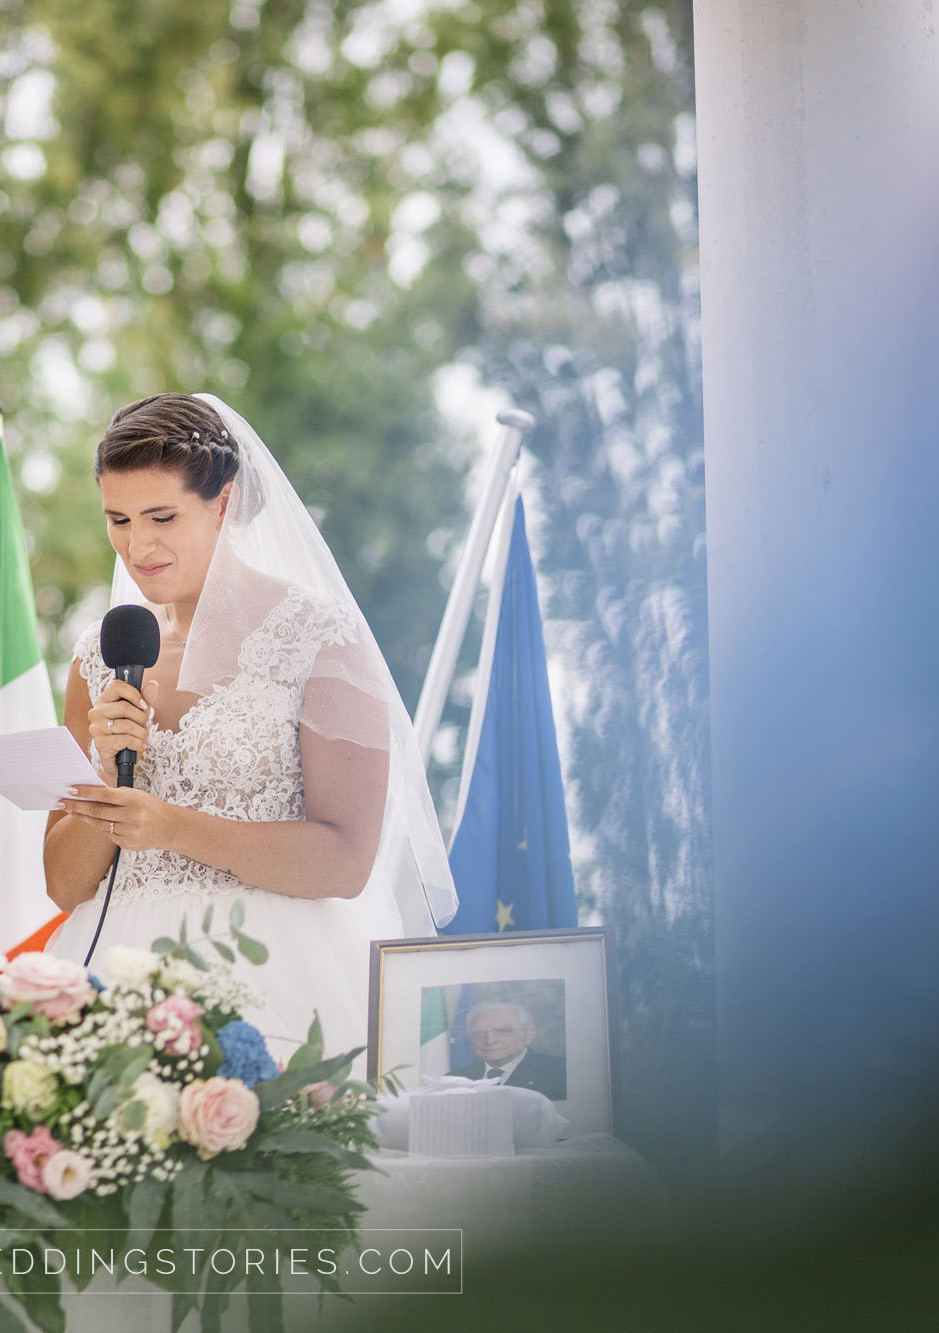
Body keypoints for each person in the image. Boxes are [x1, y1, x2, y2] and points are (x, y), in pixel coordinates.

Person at [46, 393, 456, 1058]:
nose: (136, 545)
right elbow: (64, 885)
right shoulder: (97, 658)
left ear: (223, 502)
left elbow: (348, 859)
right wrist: (106, 770)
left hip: (277, 973)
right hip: (113, 978)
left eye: (162, 516)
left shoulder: (319, 638)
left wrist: (171, 825)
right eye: (117, 519)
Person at [449, 1000, 567, 1099]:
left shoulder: (560, 1073)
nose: (490, 1041)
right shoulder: (455, 1079)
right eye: (479, 1033)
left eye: (503, 1031)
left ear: (528, 1035)